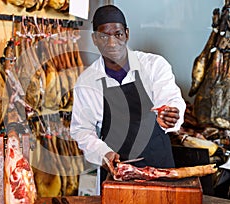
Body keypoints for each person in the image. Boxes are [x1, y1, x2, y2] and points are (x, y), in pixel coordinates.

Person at [70, 5, 186, 185]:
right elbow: (82, 130)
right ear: (94, 39)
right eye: (103, 36)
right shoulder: (87, 82)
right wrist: (103, 154)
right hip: (117, 171)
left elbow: (171, 100)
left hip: (159, 167)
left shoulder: (154, 65)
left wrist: (171, 114)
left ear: (127, 34)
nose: (112, 43)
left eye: (118, 34)